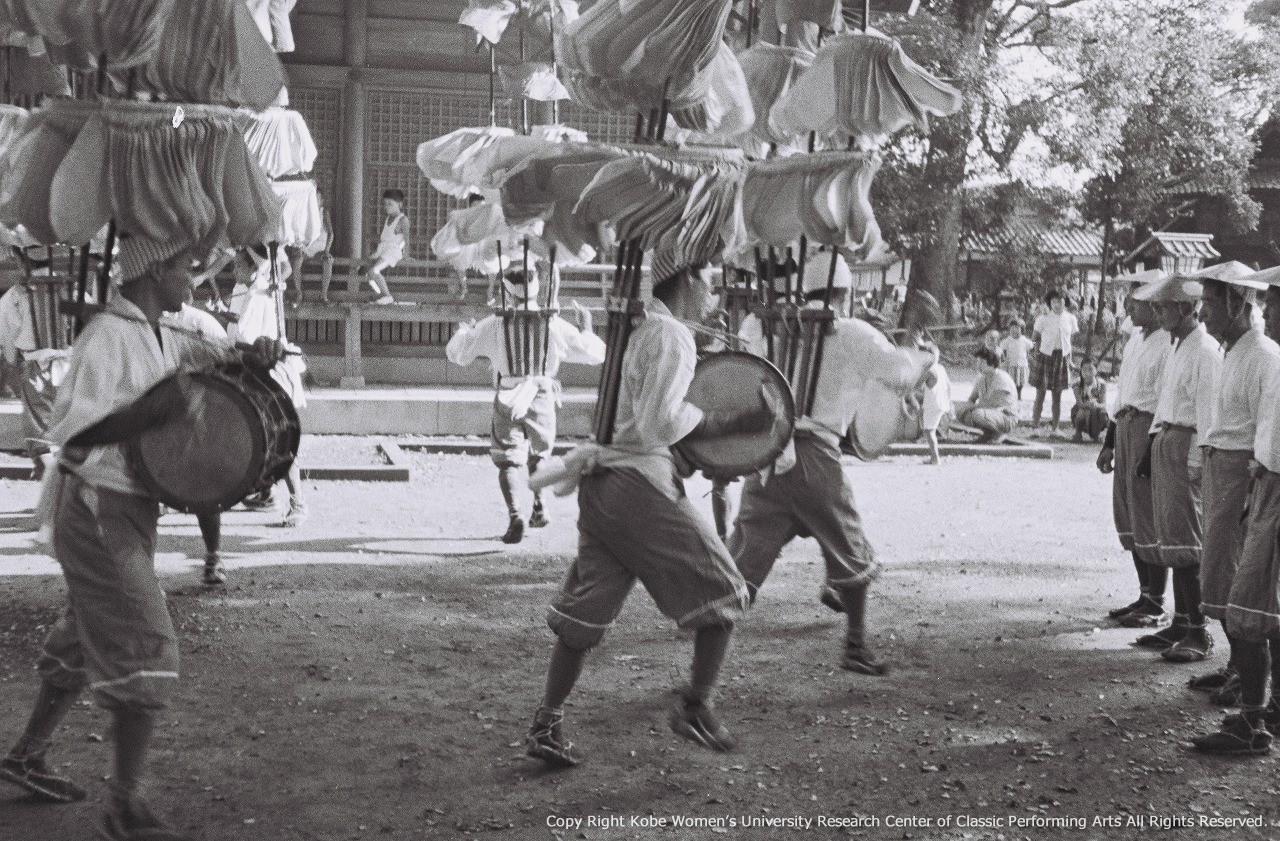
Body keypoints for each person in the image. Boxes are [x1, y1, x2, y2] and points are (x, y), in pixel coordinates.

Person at [0, 251, 284, 840]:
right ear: (153, 271)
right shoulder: (106, 336)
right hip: (95, 506)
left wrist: (254, 356)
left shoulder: (170, 330)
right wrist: (149, 413)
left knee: (84, 631)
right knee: (145, 642)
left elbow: (220, 357)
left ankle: (26, 754)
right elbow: (71, 434)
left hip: (128, 508)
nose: (193, 280)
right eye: (184, 268)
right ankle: (124, 807)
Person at [523, 262, 765, 768]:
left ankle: (547, 721)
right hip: (639, 487)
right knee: (726, 591)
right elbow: (660, 424)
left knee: (583, 616)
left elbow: (641, 417)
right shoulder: (671, 335)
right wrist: (729, 419)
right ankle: (695, 707)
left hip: (602, 486)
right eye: (710, 282)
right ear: (688, 280)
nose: (714, 294)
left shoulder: (637, 328)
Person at [733, 261, 931, 675]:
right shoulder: (854, 332)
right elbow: (900, 373)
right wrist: (924, 357)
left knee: (744, 563)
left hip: (767, 456)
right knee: (851, 548)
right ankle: (855, 645)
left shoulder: (766, 326)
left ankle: (704, 658)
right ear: (844, 292)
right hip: (815, 460)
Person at [446, 268, 605, 543]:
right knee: (538, 454)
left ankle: (515, 515)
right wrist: (587, 326)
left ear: (507, 293)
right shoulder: (552, 323)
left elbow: (458, 354)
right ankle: (540, 506)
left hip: (508, 395)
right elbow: (594, 354)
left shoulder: (495, 323)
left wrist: (463, 331)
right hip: (541, 393)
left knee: (507, 458)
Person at [1190, 269, 1280, 755]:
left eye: (1210, 301)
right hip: (1246, 478)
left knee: (1250, 603)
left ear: (1235, 303)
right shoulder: (1235, 352)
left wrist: (1250, 493)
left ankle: (1254, 719)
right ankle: (1256, 703)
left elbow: (1265, 440)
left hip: (1257, 484)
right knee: (1239, 595)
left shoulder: (1266, 357)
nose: (1202, 311)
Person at [1132, 274, 1222, 662]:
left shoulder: (1204, 351)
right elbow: (1166, 403)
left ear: (1186, 309)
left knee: (1188, 544)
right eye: (1156, 306)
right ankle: (1182, 621)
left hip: (1187, 446)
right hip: (1168, 440)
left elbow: (1207, 413)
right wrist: (1151, 449)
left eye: (1164, 307)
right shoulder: (1179, 346)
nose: (1158, 313)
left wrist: (1197, 463)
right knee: (1172, 540)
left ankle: (1199, 632)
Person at [1096, 276, 1171, 629]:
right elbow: (1121, 394)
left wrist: (1150, 449)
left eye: (1136, 301)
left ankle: (1157, 602)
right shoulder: (1134, 343)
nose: (1129, 307)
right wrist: (1109, 442)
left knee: (1147, 514)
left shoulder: (1166, 344)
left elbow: (1163, 402)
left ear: (1156, 305)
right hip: (1126, 424)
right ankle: (1144, 593)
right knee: (1127, 511)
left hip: (1147, 427)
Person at [161, 292, 238, 586]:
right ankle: (142, 573)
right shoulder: (138, 324)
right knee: (143, 492)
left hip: (196, 418)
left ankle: (213, 557)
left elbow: (229, 361)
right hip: (152, 418)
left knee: (205, 492)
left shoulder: (199, 322)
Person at [1031, 290, 1079, 437]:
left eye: (1060, 301)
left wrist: (1070, 359)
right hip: (1045, 357)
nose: (1057, 304)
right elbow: (1034, 338)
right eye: (1054, 302)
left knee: (1057, 396)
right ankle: (1035, 427)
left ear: (1065, 302)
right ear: (1050, 303)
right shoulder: (1043, 318)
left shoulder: (1071, 318)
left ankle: (1055, 429)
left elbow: (1070, 341)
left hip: (1062, 358)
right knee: (1040, 394)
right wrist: (1036, 354)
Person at [953, 347, 1019, 443]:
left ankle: (999, 433)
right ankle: (988, 434)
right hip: (990, 413)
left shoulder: (1002, 378)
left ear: (992, 363)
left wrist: (969, 407)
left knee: (977, 414)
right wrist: (962, 408)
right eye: (977, 362)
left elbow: (992, 405)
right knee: (961, 412)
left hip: (1007, 417)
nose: (978, 365)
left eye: (981, 362)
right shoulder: (981, 378)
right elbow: (971, 399)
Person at [361, 188, 409, 305]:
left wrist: (406, 255)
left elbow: (407, 239)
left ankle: (387, 296)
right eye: (385, 204)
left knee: (374, 270)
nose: (386, 207)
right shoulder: (388, 218)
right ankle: (381, 294)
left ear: (400, 205)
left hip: (393, 251)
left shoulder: (403, 220)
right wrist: (376, 252)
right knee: (367, 271)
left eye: (390, 204)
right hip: (383, 249)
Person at [1070, 360, 1109, 443]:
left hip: (1096, 411)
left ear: (1096, 371)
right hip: (1082, 411)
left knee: (1102, 414)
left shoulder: (1102, 384)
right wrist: (1087, 405)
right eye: (1084, 370)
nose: (1087, 373)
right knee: (1084, 411)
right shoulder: (1077, 384)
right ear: (1081, 371)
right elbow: (1079, 403)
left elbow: (1103, 404)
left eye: (1090, 369)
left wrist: (1096, 405)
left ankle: (1096, 434)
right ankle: (1078, 433)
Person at [998, 321, 1034, 401]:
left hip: (1022, 364)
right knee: (1011, 381)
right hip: (1011, 364)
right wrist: (1003, 361)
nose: (1014, 330)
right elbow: (1002, 350)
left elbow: (1031, 346)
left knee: (1020, 382)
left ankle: (1019, 395)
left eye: (1017, 328)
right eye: (1012, 328)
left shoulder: (1024, 340)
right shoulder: (1007, 340)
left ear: (1022, 330)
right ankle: (1011, 395)